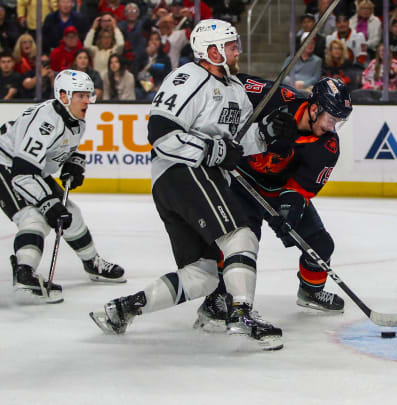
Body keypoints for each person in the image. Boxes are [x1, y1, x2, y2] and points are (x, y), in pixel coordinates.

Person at [89, 19, 296, 351]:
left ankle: (123, 308)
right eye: (230, 45)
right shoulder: (188, 77)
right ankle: (241, 313)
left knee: (202, 274)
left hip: (187, 179)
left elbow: (238, 144)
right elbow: (160, 132)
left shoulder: (235, 90)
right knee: (240, 235)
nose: (236, 50)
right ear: (211, 51)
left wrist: (268, 132)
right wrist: (212, 150)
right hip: (183, 172)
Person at [194, 76, 353, 331]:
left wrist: (289, 212)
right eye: (332, 118)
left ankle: (310, 292)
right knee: (240, 243)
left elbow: (300, 188)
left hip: (278, 191)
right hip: (241, 182)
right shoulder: (277, 97)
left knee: (321, 244)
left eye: (339, 120)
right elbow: (232, 82)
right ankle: (217, 299)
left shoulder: (328, 147)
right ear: (315, 108)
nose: (334, 126)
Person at [0, 69, 125, 304]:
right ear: (64, 96)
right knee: (34, 217)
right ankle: (24, 273)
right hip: (6, 166)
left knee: (71, 214)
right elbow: (22, 174)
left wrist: (74, 162)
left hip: (29, 168)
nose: (87, 100)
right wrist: (48, 204)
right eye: (81, 95)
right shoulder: (46, 122)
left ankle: (92, 262)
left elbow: (65, 147)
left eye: (88, 95)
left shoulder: (74, 118)